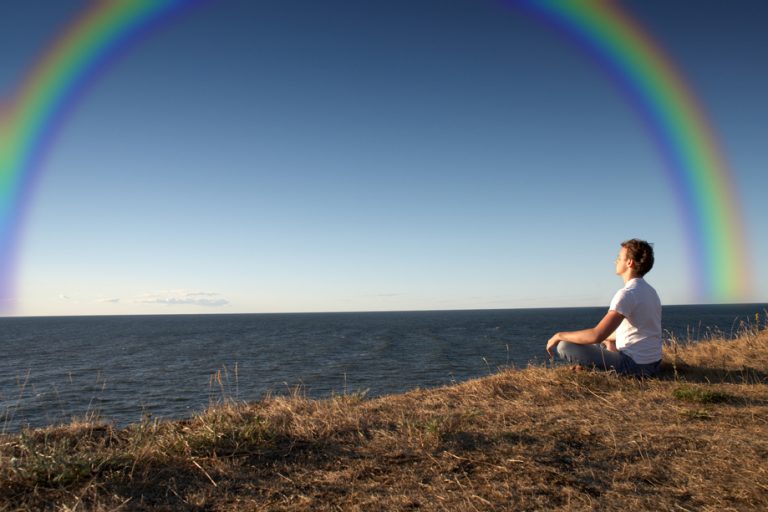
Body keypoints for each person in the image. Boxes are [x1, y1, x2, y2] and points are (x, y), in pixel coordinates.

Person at [546, 239, 662, 377]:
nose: (616, 261)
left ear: (629, 262)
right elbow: (636, 331)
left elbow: (596, 335)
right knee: (600, 343)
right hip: (654, 364)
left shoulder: (627, 294)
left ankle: (596, 367)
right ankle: (594, 364)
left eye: (619, 258)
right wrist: (606, 340)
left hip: (633, 367)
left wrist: (559, 335)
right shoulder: (650, 292)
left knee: (565, 345)